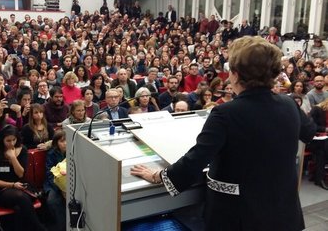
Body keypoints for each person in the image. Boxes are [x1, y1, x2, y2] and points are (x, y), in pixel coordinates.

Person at [131, 36, 316, 231]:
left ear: (236, 75)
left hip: (238, 217)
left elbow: (195, 161)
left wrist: (158, 175)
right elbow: (309, 132)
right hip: (283, 214)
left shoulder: (225, 113)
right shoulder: (288, 104)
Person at [0, 125, 47, 231]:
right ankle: (40, 228)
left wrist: (13, 157)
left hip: (21, 186)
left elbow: (20, 174)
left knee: (19, 208)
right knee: (21, 198)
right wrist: (12, 185)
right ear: (2, 140)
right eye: (8, 140)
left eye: (14, 140)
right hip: (3, 190)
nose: (11, 143)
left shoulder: (23, 150)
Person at [44, 130, 67, 231]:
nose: (65, 143)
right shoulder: (51, 154)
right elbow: (49, 174)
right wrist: (60, 189)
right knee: (52, 201)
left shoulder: (72, 151)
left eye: (66, 140)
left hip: (69, 184)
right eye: (62, 141)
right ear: (56, 143)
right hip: (53, 184)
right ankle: (61, 227)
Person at [308, 98, 328, 189]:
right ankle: (319, 178)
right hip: (315, 139)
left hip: (325, 139)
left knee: (325, 147)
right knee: (323, 149)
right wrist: (325, 129)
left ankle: (317, 175)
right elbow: (311, 125)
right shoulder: (317, 109)